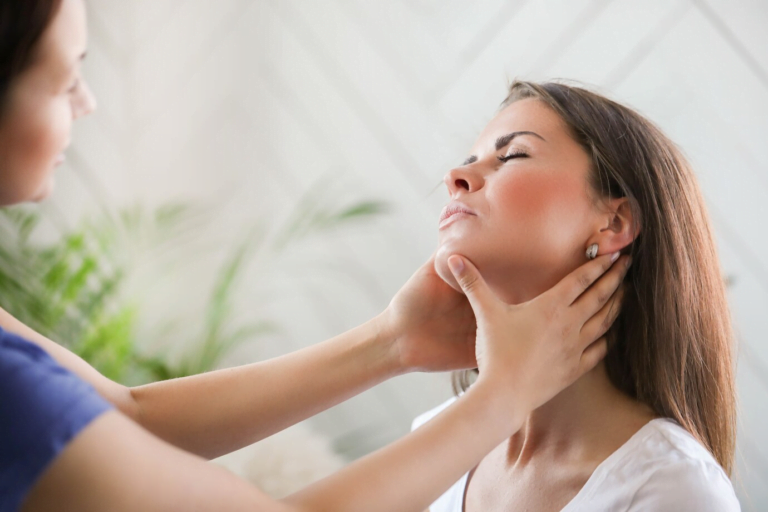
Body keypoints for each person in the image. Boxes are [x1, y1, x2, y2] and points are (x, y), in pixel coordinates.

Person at [0, 1, 629, 511]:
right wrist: (501, 398)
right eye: (66, 77)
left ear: (617, 221)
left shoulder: (661, 486)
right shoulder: (451, 451)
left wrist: (395, 341)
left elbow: (121, 419)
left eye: (513, 154)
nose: (86, 101)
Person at [412, 81, 741, 511]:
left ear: (614, 221)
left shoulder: (672, 488)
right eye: (468, 160)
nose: (454, 177)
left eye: (512, 155)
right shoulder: (433, 438)